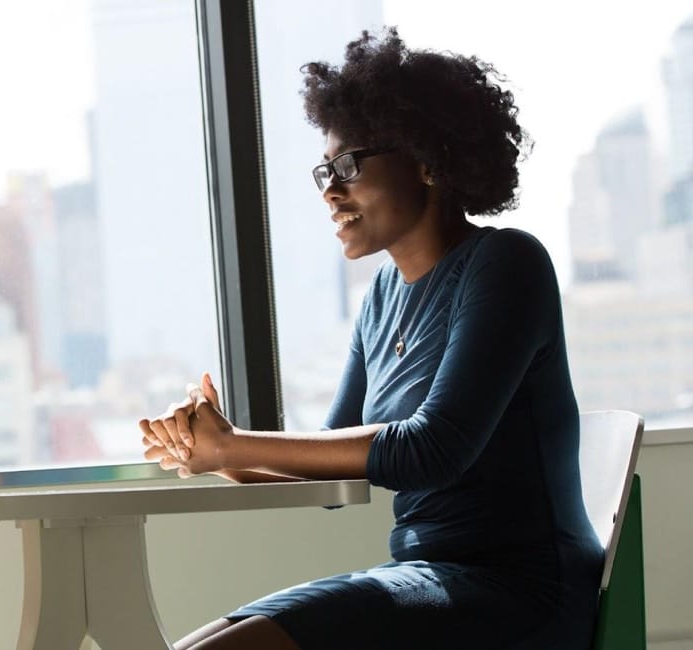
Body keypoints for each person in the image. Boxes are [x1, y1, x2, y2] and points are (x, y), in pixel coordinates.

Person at [139, 29, 603, 650]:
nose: (331, 192)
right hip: (426, 579)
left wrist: (234, 446)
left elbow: (433, 450)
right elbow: (330, 480)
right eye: (324, 171)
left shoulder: (506, 263)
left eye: (350, 166)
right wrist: (212, 453)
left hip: (521, 591)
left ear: (428, 160)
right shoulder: (381, 299)